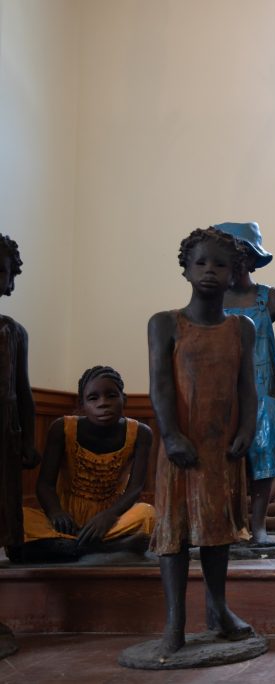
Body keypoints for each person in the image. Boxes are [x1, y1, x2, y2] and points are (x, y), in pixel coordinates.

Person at [147, 227, 257, 656]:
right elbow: (159, 386)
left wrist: (248, 428)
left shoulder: (241, 329)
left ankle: (219, 611)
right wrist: (171, 434)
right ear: (186, 269)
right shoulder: (165, 323)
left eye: (220, 264)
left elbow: (247, 386)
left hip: (222, 446)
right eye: (201, 263)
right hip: (182, 448)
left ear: (235, 273)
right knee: (174, 533)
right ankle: (175, 622)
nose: (210, 271)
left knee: (217, 531)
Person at [21, 366, 155, 562]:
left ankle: (67, 547)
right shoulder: (62, 428)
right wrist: (56, 512)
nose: (103, 404)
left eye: (111, 396)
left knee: (147, 514)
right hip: (66, 518)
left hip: (111, 518)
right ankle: (100, 547)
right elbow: (45, 485)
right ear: (81, 403)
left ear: (123, 399)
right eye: (93, 398)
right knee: (21, 518)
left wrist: (108, 516)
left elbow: (135, 488)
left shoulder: (141, 433)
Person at [218, 221, 275, 547]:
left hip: (264, 393)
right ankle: (229, 525)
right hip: (222, 394)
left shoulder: (273, 299)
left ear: (252, 259)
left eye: (239, 257)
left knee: (264, 459)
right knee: (224, 459)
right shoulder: (211, 300)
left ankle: (259, 525)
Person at [0, 234, 38, 658]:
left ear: (10, 281)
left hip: (4, 439)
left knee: (6, 513)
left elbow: (24, 393)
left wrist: (29, 439)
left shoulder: (13, 332)